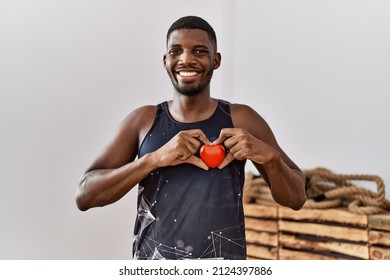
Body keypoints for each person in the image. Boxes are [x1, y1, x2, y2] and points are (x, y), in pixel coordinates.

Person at [75, 15, 306, 260]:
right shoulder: (142, 120)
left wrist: (271, 160)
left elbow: (297, 198)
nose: (186, 59)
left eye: (199, 51)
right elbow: (85, 195)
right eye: (176, 51)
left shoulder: (242, 119)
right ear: (165, 61)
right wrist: (152, 160)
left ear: (215, 60)